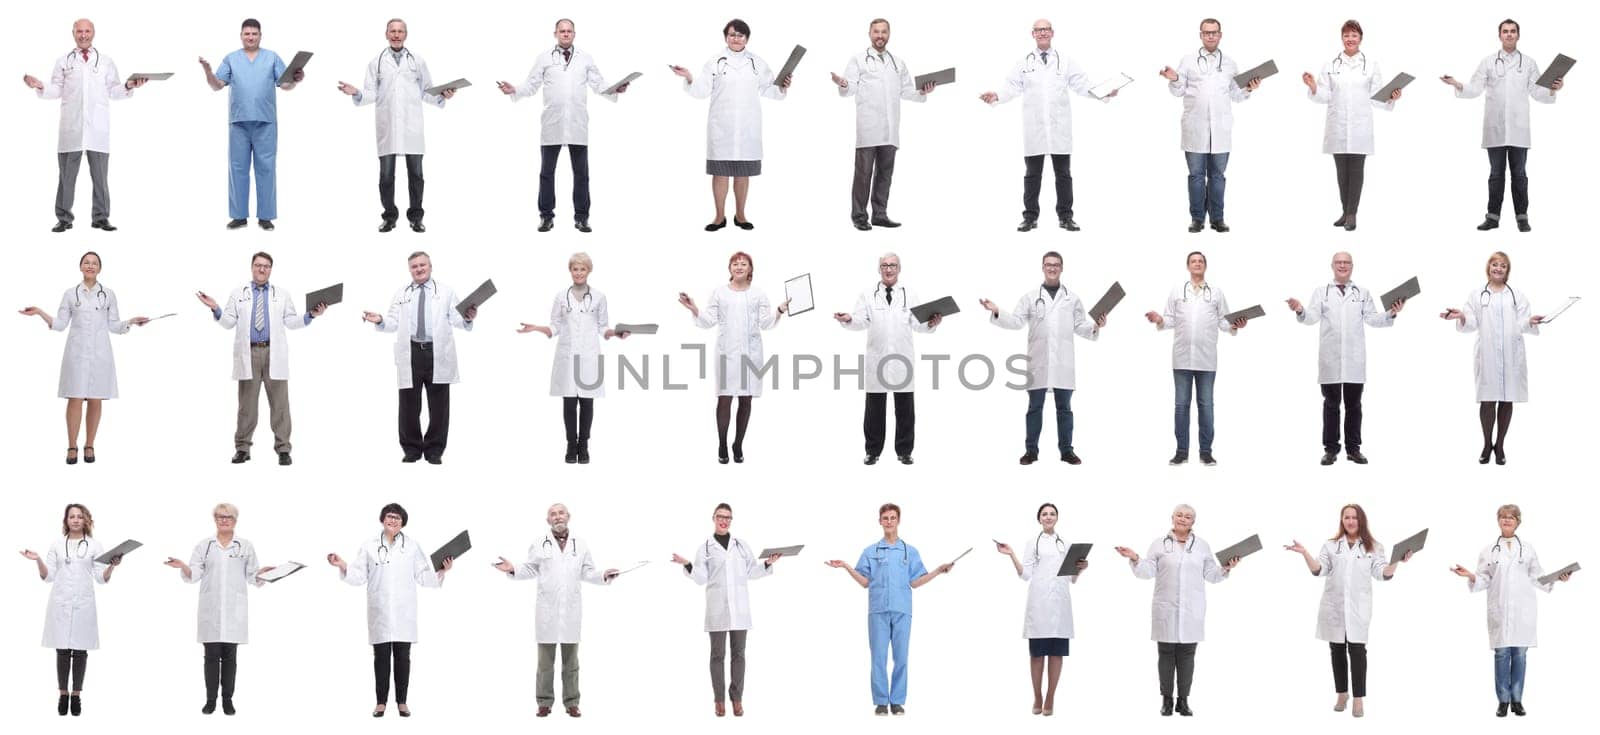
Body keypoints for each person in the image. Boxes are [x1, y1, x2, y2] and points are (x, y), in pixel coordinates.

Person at [979, 19, 1118, 232]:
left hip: (1059, 128)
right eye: (1038, 30)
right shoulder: (1024, 63)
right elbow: (1011, 87)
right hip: (1034, 129)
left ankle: (1065, 217)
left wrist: (1104, 93)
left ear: (1052, 33)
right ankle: (1030, 217)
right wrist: (997, 95)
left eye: (1045, 29)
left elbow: (1083, 84)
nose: (1042, 32)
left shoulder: (1066, 61)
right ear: (1032, 34)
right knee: (1032, 175)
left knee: (1063, 174)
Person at [18, 251, 149, 465]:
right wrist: (40, 313)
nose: (90, 265)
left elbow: (114, 325)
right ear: (80, 267)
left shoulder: (108, 294)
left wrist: (132, 321)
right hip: (76, 354)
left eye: (94, 263)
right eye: (86, 262)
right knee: (75, 398)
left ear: (100, 268)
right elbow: (60, 325)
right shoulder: (71, 294)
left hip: (101, 354)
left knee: (96, 398)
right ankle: (72, 445)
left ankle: (89, 444)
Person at [499, 18, 629, 233]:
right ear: (555, 33)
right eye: (562, 31)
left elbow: (599, 84)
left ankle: (581, 218)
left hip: (577, 124)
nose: (566, 34)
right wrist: (514, 90)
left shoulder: (586, 58)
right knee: (546, 173)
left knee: (581, 174)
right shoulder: (544, 58)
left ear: (574, 34)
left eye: (569, 31)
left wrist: (616, 89)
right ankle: (546, 217)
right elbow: (531, 85)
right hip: (552, 124)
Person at [198, 252, 328, 465]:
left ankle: (283, 449)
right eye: (258, 265)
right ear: (251, 267)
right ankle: (242, 448)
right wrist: (215, 307)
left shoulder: (282, 294)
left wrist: (311, 315)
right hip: (248, 353)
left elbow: (291, 321)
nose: (262, 269)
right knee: (246, 406)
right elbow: (228, 322)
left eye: (266, 266)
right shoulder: (238, 293)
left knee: (280, 405)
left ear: (271, 269)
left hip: (273, 352)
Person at [825, 503, 955, 716]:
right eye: (885, 518)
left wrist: (939, 571)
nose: (889, 521)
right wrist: (847, 567)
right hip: (878, 611)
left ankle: (897, 701)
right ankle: (880, 702)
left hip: (902, 610)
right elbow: (864, 582)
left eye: (892, 518)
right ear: (879, 521)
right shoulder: (871, 551)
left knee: (901, 657)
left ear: (898, 520)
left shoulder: (909, 551)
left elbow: (916, 581)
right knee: (878, 657)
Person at [1284, 504, 1412, 718]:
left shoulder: (1374, 547)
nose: (1351, 521)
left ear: (1361, 520)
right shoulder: (1331, 545)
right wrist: (1305, 553)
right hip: (1334, 606)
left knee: (1357, 651)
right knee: (1337, 651)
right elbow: (1319, 570)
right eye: (1347, 517)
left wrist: (1397, 561)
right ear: (1341, 520)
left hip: (1358, 609)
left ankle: (1359, 698)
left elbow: (1382, 574)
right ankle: (1342, 694)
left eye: (1354, 517)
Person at [493, 503, 619, 718]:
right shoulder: (539, 543)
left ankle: (572, 702)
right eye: (553, 514)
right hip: (547, 613)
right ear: (548, 520)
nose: (557, 516)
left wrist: (603, 575)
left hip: (570, 612)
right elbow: (531, 568)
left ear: (569, 516)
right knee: (545, 664)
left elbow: (587, 572)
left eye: (561, 513)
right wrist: (513, 568)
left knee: (572, 663)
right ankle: (544, 702)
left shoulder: (581, 544)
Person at [328, 503, 453, 717]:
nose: (393, 520)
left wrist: (442, 570)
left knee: (403, 658)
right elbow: (358, 575)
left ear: (403, 522)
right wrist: (342, 565)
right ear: (382, 519)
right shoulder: (369, 545)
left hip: (404, 612)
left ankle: (402, 702)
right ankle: (381, 702)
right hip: (380, 611)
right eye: (389, 516)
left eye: (397, 517)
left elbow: (423, 576)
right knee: (381, 658)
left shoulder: (412, 546)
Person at [1114, 504, 1239, 717]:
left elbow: (1211, 575)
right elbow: (1146, 572)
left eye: (1188, 516)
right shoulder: (1158, 545)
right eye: (1179, 515)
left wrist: (1226, 567)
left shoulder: (1202, 546)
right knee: (1165, 656)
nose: (1183, 519)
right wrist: (1134, 557)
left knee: (1187, 657)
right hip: (1166, 609)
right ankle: (1166, 700)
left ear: (1193, 522)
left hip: (1192, 611)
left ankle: (1183, 701)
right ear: (1172, 518)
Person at [1450, 504, 1575, 717]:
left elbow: (1538, 577)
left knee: (1519, 655)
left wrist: (1558, 579)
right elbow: (1484, 579)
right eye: (1503, 517)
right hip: (1499, 608)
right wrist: (1470, 576)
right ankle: (1503, 701)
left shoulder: (1528, 549)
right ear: (1498, 521)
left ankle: (1517, 700)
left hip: (1523, 611)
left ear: (1518, 521)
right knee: (1501, 655)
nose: (1506, 520)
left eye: (1511, 517)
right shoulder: (1488, 550)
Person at [981, 251, 1105, 465]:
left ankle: (1067, 451)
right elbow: (1017, 321)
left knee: (1064, 409)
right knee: (1034, 408)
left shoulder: (1072, 298)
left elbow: (1080, 326)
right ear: (1042, 267)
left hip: (1063, 364)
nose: (1052, 268)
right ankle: (1031, 451)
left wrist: (1096, 326)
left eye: (1056, 265)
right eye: (1048, 264)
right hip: (1038, 362)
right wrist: (997, 311)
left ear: (1062, 268)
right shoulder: (1030, 297)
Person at [24, 19, 146, 233]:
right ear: (73, 33)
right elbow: (56, 90)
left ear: (94, 33)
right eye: (79, 31)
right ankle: (63, 218)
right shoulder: (64, 61)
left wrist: (128, 85)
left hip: (97, 130)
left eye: (87, 31)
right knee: (66, 178)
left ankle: (100, 218)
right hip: (71, 128)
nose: (83, 35)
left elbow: (114, 91)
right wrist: (41, 85)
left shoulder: (106, 62)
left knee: (100, 178)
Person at [1441, 19, 1564, 232]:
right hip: (1495, 128)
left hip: (1519, 128)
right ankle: (1493, 217)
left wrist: (1554, 89)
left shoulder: (1529, 63)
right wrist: (1457, 84)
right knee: (1496, 174)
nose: (1509, 35)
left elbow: (1538, 92)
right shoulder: (1488, 62)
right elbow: (1475, 88)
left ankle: (1522, 217)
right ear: (1499, 35)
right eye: (1505, 31)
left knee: (1520, 175)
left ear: (1518, 35)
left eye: (1513, 31)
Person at [672, 18, 792, 231]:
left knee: (742, 173)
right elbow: (700, 90)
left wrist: (783, 86)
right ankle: (719, 217)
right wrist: (689, 77)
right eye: (732, 35)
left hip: (748, 128)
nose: (736, 38)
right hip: (722, 127)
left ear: (747, 38)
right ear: (725, 37)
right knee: (720, 174)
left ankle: (741, 215)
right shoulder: (715, 61)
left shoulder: (757, 62)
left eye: (740, 35)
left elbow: (769, 89)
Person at [1285, 252, 1403, 465]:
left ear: (1352, 266)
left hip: (1354, 360)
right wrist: (1300, 309)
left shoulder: (1362, 292)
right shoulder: (1322, 292)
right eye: (1339, 262)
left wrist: (1391, 313)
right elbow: (1310, 318)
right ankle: (1330, 449)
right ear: (1332, 265)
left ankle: (1353, 449)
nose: (1342, 265)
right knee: (1331, 405)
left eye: (1346, 262)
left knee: (1354, 405)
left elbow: (1373, 319)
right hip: (1330, 359)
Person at [338, 18, 454, 233]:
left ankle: (416, 217)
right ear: (386, 34)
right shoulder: (376, 62)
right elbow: (371, 93)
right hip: (388, 126)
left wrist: (442, 95)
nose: (396, 34)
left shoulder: (417, 61)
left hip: (412, 126)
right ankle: (390, 217)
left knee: (416, 175)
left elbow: (426, 91)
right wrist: (357, 93)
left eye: (400, 31)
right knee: (386, 176)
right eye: (393, 31)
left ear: (406, 34)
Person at [362, 251, 475, 465]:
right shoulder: (402, 293)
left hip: (437, 352)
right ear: (409, 270)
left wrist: (468, 318)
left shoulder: (446, 292)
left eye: (422, 265)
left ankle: (434, 450)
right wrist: (379, 320)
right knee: (408, 405)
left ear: (431, 267)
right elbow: (393, 322)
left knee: (439, 405)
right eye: (414, 266)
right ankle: (412, 449)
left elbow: (457, 319)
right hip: (411, 352)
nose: (419, 269)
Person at [670, 503, 782, 717]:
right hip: (717, 610)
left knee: (739, 655)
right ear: (713, 518)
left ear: (731, 520)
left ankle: (737, 699)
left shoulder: (741, 546)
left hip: (740, 609)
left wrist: (767, 563)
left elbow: (751, 572)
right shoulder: (704, 548)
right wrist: (687, 564)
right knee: (717, 655)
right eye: (720, 516)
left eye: (728, 517)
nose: (724, 520)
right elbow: (700, 578)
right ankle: (719, 700)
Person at [164, 503, 274, 716]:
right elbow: (194, 574)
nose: (224, 520)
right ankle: (210, 700)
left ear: (235, 520)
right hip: (211, 610)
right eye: (220, 517)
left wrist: (263, 572)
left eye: (228, 517)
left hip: (234, 610)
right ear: (214, 519)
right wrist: (183, 566)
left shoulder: (245, 546)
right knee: (211, 656)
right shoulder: (205, 545)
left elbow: (252, 576)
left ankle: (228, 700)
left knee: (230, 657)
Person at [678, 251, 789, 464]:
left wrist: (780, 309)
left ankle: (738, 444)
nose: (739, 267)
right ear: (729, 269)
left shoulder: (758, 294)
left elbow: (766, 323)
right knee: (724, 398)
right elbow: (708, 320)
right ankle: (722, 443)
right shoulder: (720, 293)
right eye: (735, 264)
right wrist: (694, 308)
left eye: (744, 264)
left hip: (751, 354)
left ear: (750, 270)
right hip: (726, 354)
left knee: (746, 399)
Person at [518, 252, 628, 463]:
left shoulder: (599, 297)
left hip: (589, 356)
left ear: (589, 271)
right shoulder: (561, 296)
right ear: (570, 271)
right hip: (567, 356)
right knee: (569, 404)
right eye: (575, 269)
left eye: (582, 269)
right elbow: (555, 326)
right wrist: (536, 328)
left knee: (587, 403)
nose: (578, 273)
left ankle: (583, 446)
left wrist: (616, 333)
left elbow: (602, 326)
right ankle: (570, 445)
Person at [834, 253, 940, 465]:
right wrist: (848, 319)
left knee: (905, 410)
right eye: (884, 265)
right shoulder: (867, 294)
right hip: (877, 359)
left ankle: (904, 451)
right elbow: (860, 321)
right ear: (879, 269)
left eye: (892, 265)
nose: (888, 269)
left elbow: (918, 324)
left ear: (899, 268)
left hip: (902, 359)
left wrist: (931, 323)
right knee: (874, 409)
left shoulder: (909, 293)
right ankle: (872, 451)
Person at [1440, 251, 1544, 465]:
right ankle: (1487, 444)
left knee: (1507, 399)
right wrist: (1460, 316)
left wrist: (1531, 321)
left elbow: (1523, 321)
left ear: (1508, 270)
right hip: (1487, 354)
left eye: (1503, 265)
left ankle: (1501, 445)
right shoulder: (1478, 294)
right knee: (1487, 400)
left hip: (1511, 355)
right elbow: (1470, 322)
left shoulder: (1516, 295)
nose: (1498, 268)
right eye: (1495, 264)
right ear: (1488, 267)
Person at [830, 18, 934, 230]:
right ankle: (859, 217)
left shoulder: (898, 63)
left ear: (889, 34)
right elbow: (849, 88)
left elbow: (907, 91)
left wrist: (923, 92)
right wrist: (842, 83)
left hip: (890, 129)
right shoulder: (858, 60)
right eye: (876, 32)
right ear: (870, 34)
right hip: (868, 127)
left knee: (885, 175)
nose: (880, 35)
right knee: (863, 175)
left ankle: (880, 214)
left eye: (883, 32)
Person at [200, 18, 303, 230]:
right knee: (237, 168)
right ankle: (239, 216)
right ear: (241, 35)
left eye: (254, 34)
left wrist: (295, 79)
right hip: (239, 122)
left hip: (265, 122)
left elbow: (285, 84)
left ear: (260, 36)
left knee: (266, 169)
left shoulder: (271, 57)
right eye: (247, 34)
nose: (250, 37)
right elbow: (217, 85)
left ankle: (265, 216)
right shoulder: (231, 59)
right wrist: (208, 72)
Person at [1144, 252, 1247, 466]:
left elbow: (1224, 321)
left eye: (1200, 261)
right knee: (1181, 406)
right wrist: (1159, 319)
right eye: (1193, 261)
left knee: (1206, 405)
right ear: (1188, 266)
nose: (1197, 264)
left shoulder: (1216, 293)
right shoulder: (1177, 291)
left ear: (1205, 266)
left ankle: (1206, 452)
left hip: (1206, 358)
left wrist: (1236, 325)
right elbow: (1170, 319)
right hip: (1181, 359)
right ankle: (1181, 451)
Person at [21, 504, 122, 717]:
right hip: (61, 602)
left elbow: (100, 578)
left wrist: (112, 566)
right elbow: (48, 576)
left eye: (79, 517)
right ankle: (63, 694)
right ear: (66, 520)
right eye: (71, 517)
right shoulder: (57, 545)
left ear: (86, 520)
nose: (75, 520)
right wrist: (37, 559)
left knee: (81, 651)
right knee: (62, 650)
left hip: (84, 604)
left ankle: (76, 695)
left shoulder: (95, 545)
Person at [1160, 18, 1260, 233]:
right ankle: (1197, 219)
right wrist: (1174, 78)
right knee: (1196, 176)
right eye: (1206, 33)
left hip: (1221, 130)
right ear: (1201, 35)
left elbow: (1236, 95)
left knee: (1217, 177)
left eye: (1214, 32)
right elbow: (1177, 91)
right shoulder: (1188, 61)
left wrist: (1249, 88)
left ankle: (1217, 218)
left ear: (1220, 34)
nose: (1211, 36)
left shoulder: (1230, 63)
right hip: (1195, 128)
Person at [1301, 19, 1401, 232]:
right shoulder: (1331, 64)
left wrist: (1392, 97)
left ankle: (1352, 214)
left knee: (1356, 172)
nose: (1350, 39)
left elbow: (1376, 97)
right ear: (1342, 38)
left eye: (1354, 35)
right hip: (1337, 126)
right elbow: (1325, 96)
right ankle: (1345, 211)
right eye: (1346, 35)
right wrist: (1312, 86)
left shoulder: (1370, 65)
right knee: (1341, 173)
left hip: (1359, 127)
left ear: (1360, 38)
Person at [994, 503, 1087, 716]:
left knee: (1056, 654)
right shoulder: (1032, 543)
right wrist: (1011, 555)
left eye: (1052, 513)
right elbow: (1025, 574)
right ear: (1039, 519)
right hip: (1039, 604)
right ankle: (1037, 695)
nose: (1048, 517)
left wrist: (1081, 569)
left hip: (1061, 605)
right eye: (1044, 514)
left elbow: (1072, 578)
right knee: (1037, 655)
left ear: (1057, 517)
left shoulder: (1067, 543)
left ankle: (1051, 696)